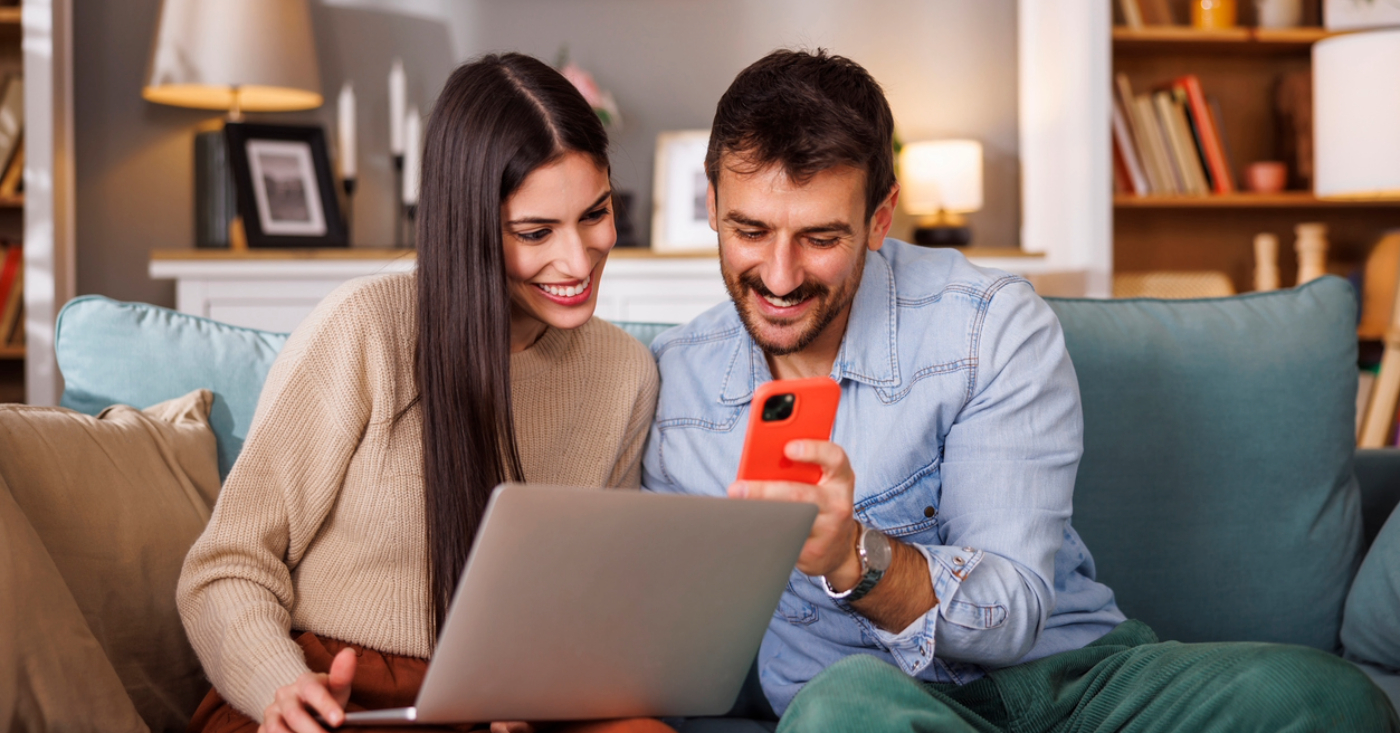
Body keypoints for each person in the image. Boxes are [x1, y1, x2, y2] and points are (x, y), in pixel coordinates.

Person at [643, 49, 1398, 732]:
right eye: (749, 230)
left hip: (1072, 687)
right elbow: (677, 643)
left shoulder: (990, 325)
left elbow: (1012, 615)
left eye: (819, 238)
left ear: (878, 219)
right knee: (840, 709)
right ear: (712, 206)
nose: (778, 277)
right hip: (873, 710)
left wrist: (853, 556)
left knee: (1329, 698)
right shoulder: (677, 387)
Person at [178, 53, 670, 733]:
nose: (578, 260)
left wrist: (532, 689)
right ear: (468, 225)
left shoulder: (626, 373)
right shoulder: (367, 329)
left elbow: (588, 601)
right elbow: (224, 565)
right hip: (332, 694)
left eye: (595, 214)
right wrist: (279, 685)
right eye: (535, 232)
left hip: (499, 700)